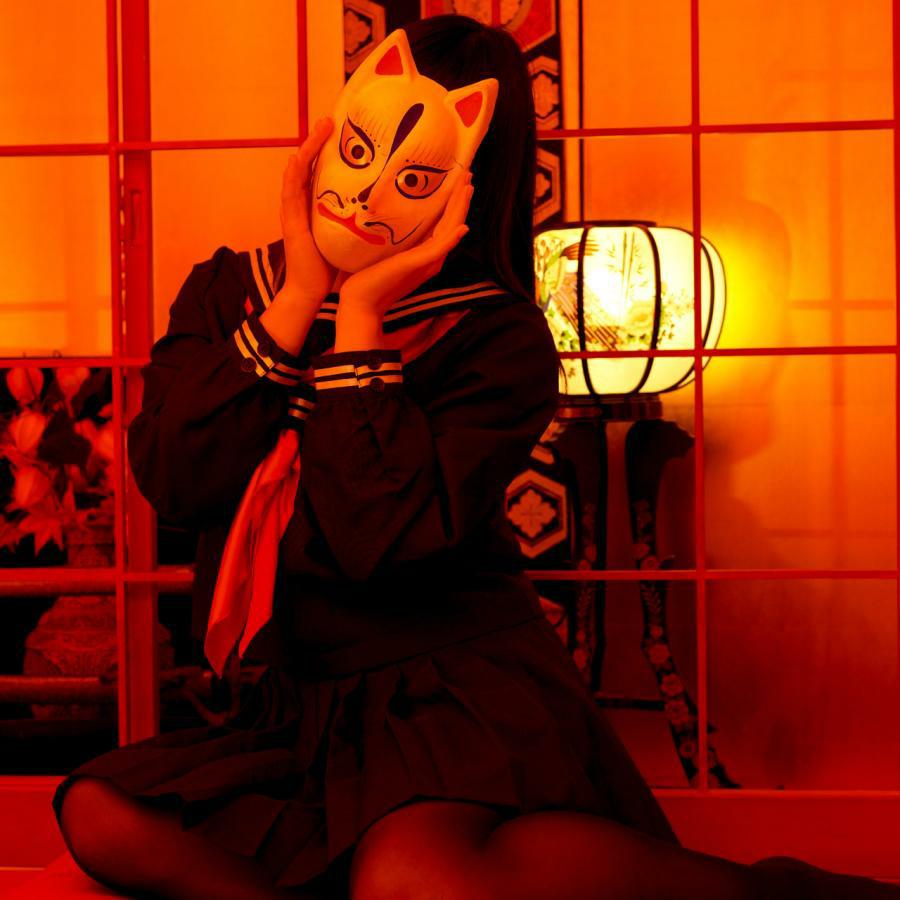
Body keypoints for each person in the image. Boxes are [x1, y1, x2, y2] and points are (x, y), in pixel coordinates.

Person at [49, 14, 900, 900]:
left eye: (416, 175)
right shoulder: (232, 289)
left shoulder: (498, 336)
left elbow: (378, 539)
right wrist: (300, 298)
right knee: (102, 810)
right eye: (358, 147)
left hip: (450, 688)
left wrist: (363, 320)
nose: (367, 194)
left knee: (407, 877)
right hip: (299, 700)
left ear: (467, 186)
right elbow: (176, 481)